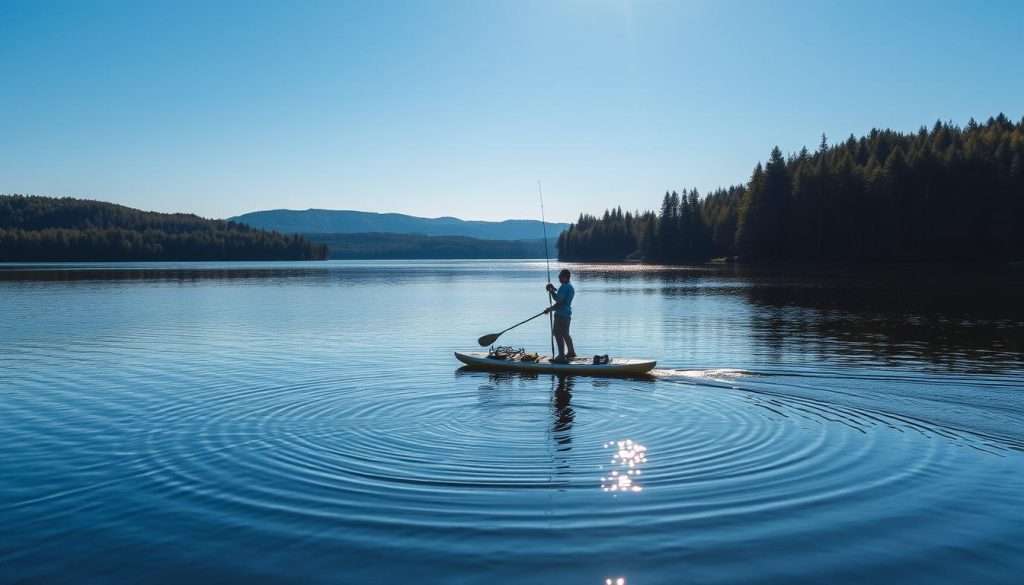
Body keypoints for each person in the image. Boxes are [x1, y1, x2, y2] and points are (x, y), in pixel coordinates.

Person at [543, 268, 576, 363]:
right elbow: (560, 299)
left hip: (561, 315)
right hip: (567, 314)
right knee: (565, 334)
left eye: (560, 276)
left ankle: (561, 356)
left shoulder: (565, 287)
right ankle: (571, 352)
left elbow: (559, 300)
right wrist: (552, 290)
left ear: (565, 277)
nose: (559, 277)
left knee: (558, 334)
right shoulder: (569, 286)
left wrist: (549, 309)